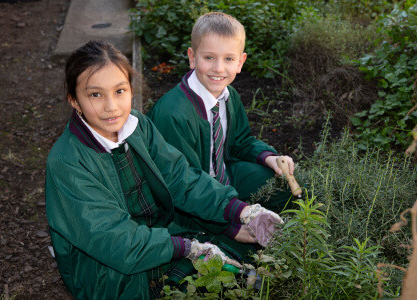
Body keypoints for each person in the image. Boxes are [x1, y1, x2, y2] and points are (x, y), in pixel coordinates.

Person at [45, 40, 284, 299]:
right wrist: (185, 247)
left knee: (235, 254)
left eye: (120, 91)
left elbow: (180, 177)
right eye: (95, 95)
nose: (111, 106)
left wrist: (243, 211)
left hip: (156, 234)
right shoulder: (67, 162)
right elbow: (112, 239)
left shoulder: (138, 126)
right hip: (108, 265)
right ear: (75, 101)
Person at [148, 12, 296, 212]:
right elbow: (181, 182)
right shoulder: (173, 114)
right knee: (235, 240)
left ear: (240, 62)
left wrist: (268, 157)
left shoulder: (229, 96)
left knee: (284, 187)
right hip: (190, 196)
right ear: (192, 58)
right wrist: (235, 211)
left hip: (224, 174)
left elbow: (241, 142)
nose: (218, 68)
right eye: (209, 57)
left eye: (228, 59)